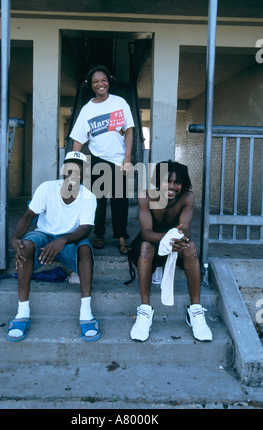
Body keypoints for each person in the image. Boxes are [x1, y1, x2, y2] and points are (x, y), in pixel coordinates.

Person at [7, 151, 100, 343]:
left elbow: (85, 230)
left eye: (78, 171)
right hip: (45, 236)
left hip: (69, 240)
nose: (72, 175)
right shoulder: (47, 188)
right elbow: (28, 216)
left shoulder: (89, 197)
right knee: (25, 246)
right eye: (69, 170)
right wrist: (15, 238)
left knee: (86, 249)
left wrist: (63, 240)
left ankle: (86, 313)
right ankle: (22, 313)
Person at [130, 160, 212, 343]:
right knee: (145, 247)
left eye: (177, 182)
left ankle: (195, 311)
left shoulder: (187, 197)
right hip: (151, 242)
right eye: (168, 181)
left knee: (190, 247)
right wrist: (168, 238)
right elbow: (146, 233)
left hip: (175, 242)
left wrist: (180, 237)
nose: (172, 186)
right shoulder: (145, 196)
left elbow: (186, 229)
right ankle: (145, 310)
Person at [70, 65, 135, 255]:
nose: (100, 84)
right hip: (97, 159)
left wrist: (128, 157)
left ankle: (122, 237)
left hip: (119, 160)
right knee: (97, 201)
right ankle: (98, 234)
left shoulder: (120, 103)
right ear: (91, 85)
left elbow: (129, 131)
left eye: (103, 80)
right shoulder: (87, 110)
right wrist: (74, 164)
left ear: (109, 81)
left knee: (120, 200)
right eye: (95, 82)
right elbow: (78, 140)